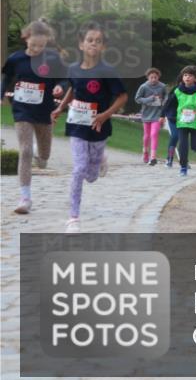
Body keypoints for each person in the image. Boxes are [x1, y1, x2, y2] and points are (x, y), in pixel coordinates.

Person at [50, 23, 127, 234]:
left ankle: (101, 158)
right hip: (76, 124)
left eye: (98, 41)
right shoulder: (73, 69)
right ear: (81, 44)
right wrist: (60, 108)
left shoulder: (107, 71)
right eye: (90, 40)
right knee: (78, 169)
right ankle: (73, 218)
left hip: (98, 125)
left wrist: (105, 115)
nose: (93, 43)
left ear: (103, 47)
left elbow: (122, 97)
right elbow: (73, 90)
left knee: (91, 176)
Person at [2, 19, 67, 214]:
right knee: (25, 150)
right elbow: (6, 78)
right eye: (33, 45)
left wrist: (59, 87)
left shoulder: (53, 59)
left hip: (44, 111)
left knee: (43, 158)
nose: (37, 49)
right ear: (26, 38)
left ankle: (41, 153)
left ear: (47, 42)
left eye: (41, 45)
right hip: (22, 110)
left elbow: (64, 80)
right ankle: (25, 198)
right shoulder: (16, 59)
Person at [161, 66, 196, 177]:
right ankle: (183, 167)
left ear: (195, 78)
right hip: (181, 121)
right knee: (183, 143)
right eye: (185, 75)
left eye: (190, 75)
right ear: (182, 77)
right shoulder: (177, 90)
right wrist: (162, 115)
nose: (187, 77)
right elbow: (168, 104)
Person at [135, 67, 167, 165]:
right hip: (146, 114)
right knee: (146, 136)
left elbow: (167, 97)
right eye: (151, 77)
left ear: (158, 77)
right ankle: (145, 152)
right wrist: (148, 99)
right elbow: (137, 99)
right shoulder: (143, 87)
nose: (153, 79)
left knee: (154, 134)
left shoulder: (162, 86)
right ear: (148, 77)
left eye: (155, 77)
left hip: (157, 114)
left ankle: (153, 157)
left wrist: (163, 101)